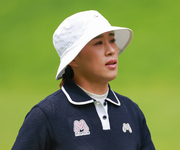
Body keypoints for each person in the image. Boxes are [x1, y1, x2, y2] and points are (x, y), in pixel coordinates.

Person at [12, 10, 155, 150]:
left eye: (112, 40)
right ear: (73, 59)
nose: (111, 50)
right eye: (98, 43)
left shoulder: (132, 112)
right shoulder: (46, 115)